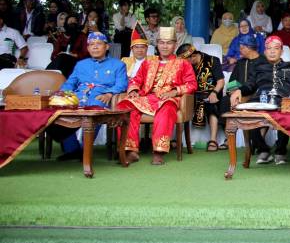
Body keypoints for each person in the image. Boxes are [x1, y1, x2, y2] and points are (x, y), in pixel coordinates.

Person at [116, 27, 197, 165]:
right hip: (148, 98)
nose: (165, 46)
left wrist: (175, 91)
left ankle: (159, 151)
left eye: (169, 43)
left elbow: (192, 84)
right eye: (161, 42)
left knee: (166, 109)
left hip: (169, 99)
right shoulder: (148, 62)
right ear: (157, 44)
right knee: (124, 106)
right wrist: (133, 90)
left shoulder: (183, 63)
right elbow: (136, 80)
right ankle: (130, 150)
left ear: (175, 45)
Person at [44, 32, 128, 160]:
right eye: (91, 44)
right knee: (53, 111)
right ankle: (72, 149)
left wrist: (110, 93)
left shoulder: (118, 64)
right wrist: (63, 94)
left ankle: (85, 149)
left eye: (99, 44)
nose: (95, 47)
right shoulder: (81, 64)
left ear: (106, 47)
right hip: (78, 97)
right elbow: (70, 83)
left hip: (100, 97)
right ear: (88, 48)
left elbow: (122, 84)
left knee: (96, 109)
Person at [229, 36, 290, 165]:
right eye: (269, 48)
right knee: (249, 114)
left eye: (276, 48)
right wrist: (239, 90)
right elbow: (250, 85)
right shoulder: (258, 67)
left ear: (281, 51)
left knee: (287, 112)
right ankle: (263, 149)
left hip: (282, 100)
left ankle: (281, 151)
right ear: (265, 51)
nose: (272, 51)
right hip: (261, 99)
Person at [176, 44, 225, 152]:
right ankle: (176, 139)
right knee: (178, 103)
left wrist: (214, 93)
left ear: (192, 56)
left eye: (185, 60)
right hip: (193, 94)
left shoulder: (212, 60)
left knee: (212, 105)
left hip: (211, 93)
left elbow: (221, 81)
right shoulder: (186, 65)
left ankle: (213, 140)